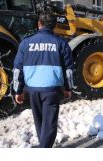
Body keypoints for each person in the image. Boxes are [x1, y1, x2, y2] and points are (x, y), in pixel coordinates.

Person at [13, 12, 74, 148]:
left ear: (39, 24)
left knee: (40, 122)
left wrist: (18, 90)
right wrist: (69, 89)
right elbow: (68, 70)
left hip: (32, 90)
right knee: (50, 124)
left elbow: (17, 70)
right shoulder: (61, 43)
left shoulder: (26, 43)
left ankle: (44, 146)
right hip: (52, 90)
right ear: (55, 26)